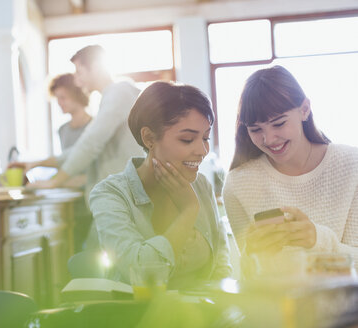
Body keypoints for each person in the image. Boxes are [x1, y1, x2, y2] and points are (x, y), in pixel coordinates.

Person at [89, 81, 232, 288]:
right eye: (187, 139)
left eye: (205, 138)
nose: (202, 150)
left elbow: (221, 263)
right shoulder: (111, 194)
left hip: (203, 315)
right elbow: (140, 273)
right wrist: (188, 211)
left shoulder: (201, 185)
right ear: (148, 138)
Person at [223, 65, 358, 272]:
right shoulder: (238, 184)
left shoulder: (351, 165)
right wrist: (253, 254)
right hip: (276, 303)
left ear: (304, 110)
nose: (269, 139)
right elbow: (251, 278)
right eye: (256, 129)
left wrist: (318, 240)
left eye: (278, 124)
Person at [26, 45, 143, 199]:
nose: (78, 81)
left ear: (96, 67)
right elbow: (79, 148)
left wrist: (55, 181)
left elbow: (91, 142)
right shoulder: (110, 97)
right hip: (118, 195)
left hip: (123, 196)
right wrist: (35, 164)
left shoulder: (119, 93)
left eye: (79, 72)